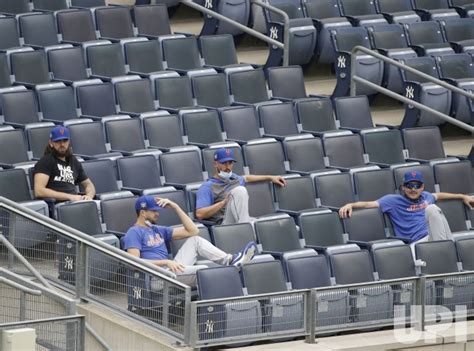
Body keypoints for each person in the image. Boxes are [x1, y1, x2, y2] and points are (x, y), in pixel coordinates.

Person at [123, 195, 257, 286]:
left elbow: (193, 231)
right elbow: (135, 262)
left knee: (196, 240)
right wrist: (165, 262)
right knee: (204, 271)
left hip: (171, 269)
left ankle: (230, 260)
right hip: (156, 277)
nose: (157, 213)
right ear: (142, 213)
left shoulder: (158, 229)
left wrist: (175, 206)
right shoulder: (133, 232)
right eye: (153, 211)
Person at [339, 170, 474, 257]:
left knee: (433, 209)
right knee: (432, 209)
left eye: (417, 186)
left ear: (422, 187)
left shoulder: (426, 196)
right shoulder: (392, 200)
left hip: (433, 237)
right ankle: (445, 252)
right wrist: (350, 204)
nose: (413, 189)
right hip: (416, 243)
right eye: (409, 186)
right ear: (403, 187)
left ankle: (443, 250)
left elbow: (440, 195)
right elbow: (369, 204)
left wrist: (462, 196)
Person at [195, 147, 287, 224]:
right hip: (224, 224)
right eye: (224, 163)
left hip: (243, 219)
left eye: (230, 163)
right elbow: (200, 214)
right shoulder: (207, 187)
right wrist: (223, 203)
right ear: (215, 164)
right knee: (240, 190)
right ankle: (245, 227)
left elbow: (247, 178)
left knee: (280, 224)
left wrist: (271, 177)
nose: (227, 167)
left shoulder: (235, 178)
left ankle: (246, 225)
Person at [33, 126, 95, 202]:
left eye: (65, 141)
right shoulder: (46, 161)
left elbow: (88, 185)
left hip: (76, 202)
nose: (62, 144)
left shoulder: (73, 161)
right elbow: (39, 191)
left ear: (69, 142)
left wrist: (89, 196)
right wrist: (70, 197)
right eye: (58, 141)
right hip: (58, 205)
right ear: (51, 143)